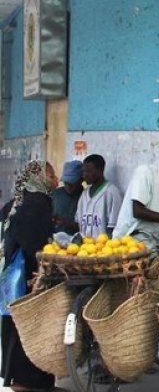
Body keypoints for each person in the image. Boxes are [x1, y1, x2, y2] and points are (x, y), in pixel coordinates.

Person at [1, 160, 62, 391]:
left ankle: (17, 378)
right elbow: (36, 246)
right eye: (51, 175)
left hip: (13, 275)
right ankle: (27, 381)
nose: (55, 180)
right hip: (28, 276)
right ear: (40, 178)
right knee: (30, 327)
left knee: (15, 324)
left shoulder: (18, 200)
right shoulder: (37, 203)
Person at [75, 154, 123, 238]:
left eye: (89, 171)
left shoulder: (112, 192)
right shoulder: (84, 194)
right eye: (84, 171)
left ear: (100, 170)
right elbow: (79, 221)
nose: (84, 175)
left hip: (103, 248)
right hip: (85, 247)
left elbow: (114, 227)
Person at [51, 160, 83, 235]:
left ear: (81, 180)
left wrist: (66, 223)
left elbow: (88, 227)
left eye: (72, 183)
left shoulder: (86, 197)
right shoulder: (55, 195)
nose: (68, 186)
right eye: (65, 182)